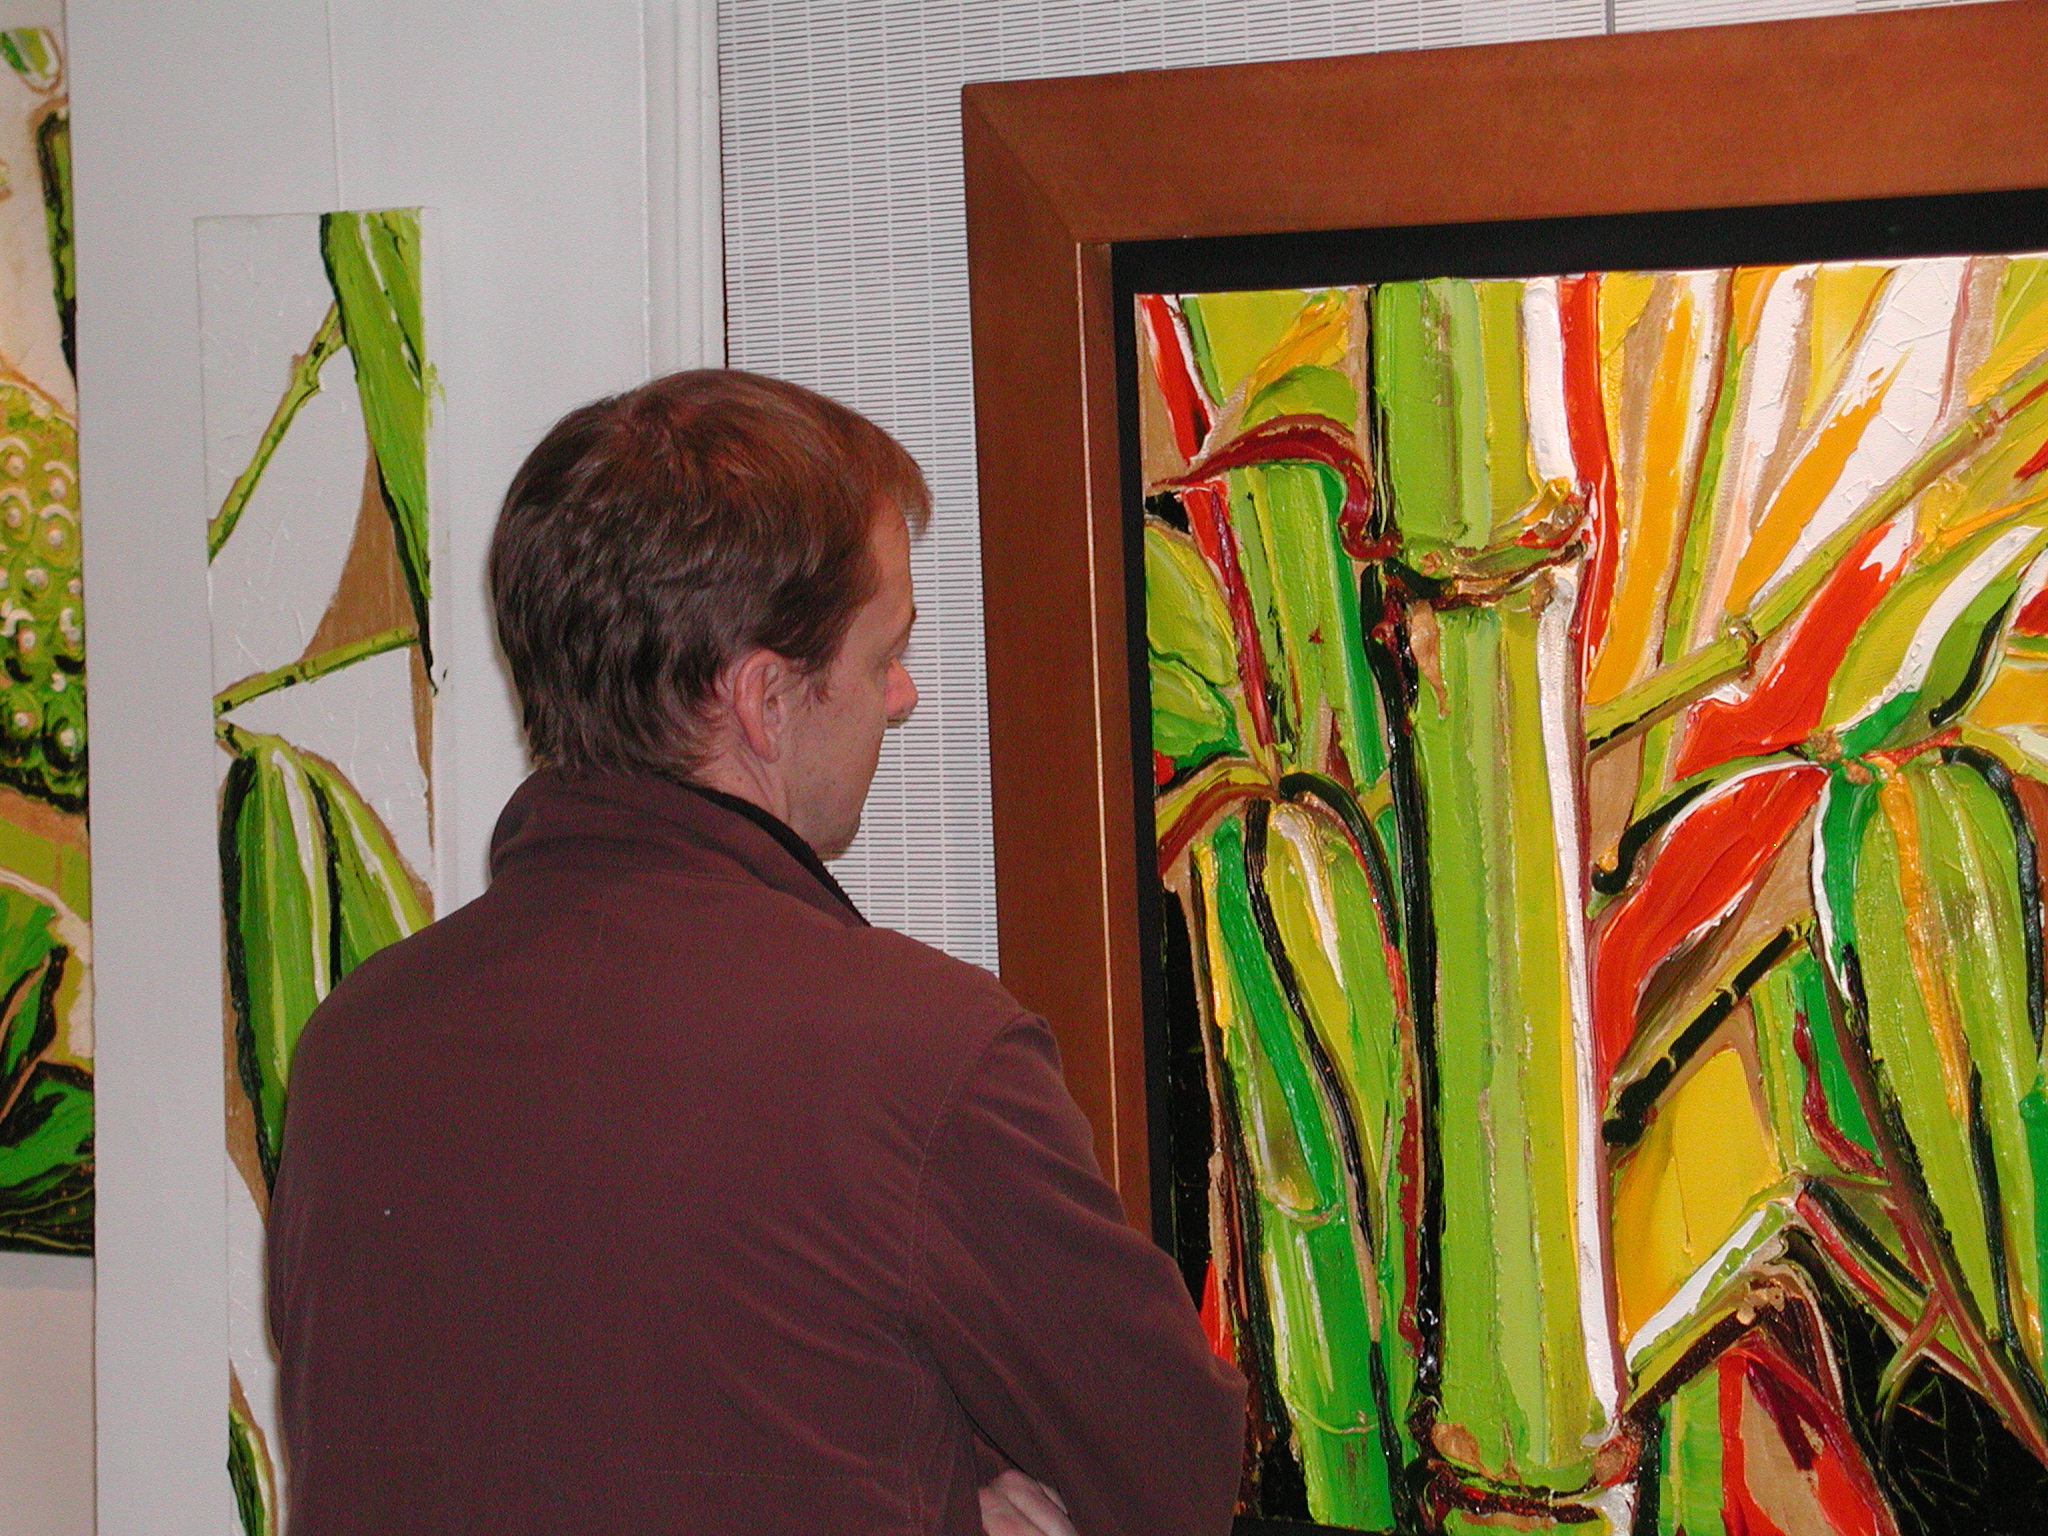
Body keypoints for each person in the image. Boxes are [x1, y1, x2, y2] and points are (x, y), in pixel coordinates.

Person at [267, 369, 1246, 1536]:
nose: (901, 696)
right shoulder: (921, 1063)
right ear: (763, 701)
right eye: (881, 652)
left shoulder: (356, 1048)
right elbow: (1172, 1474)